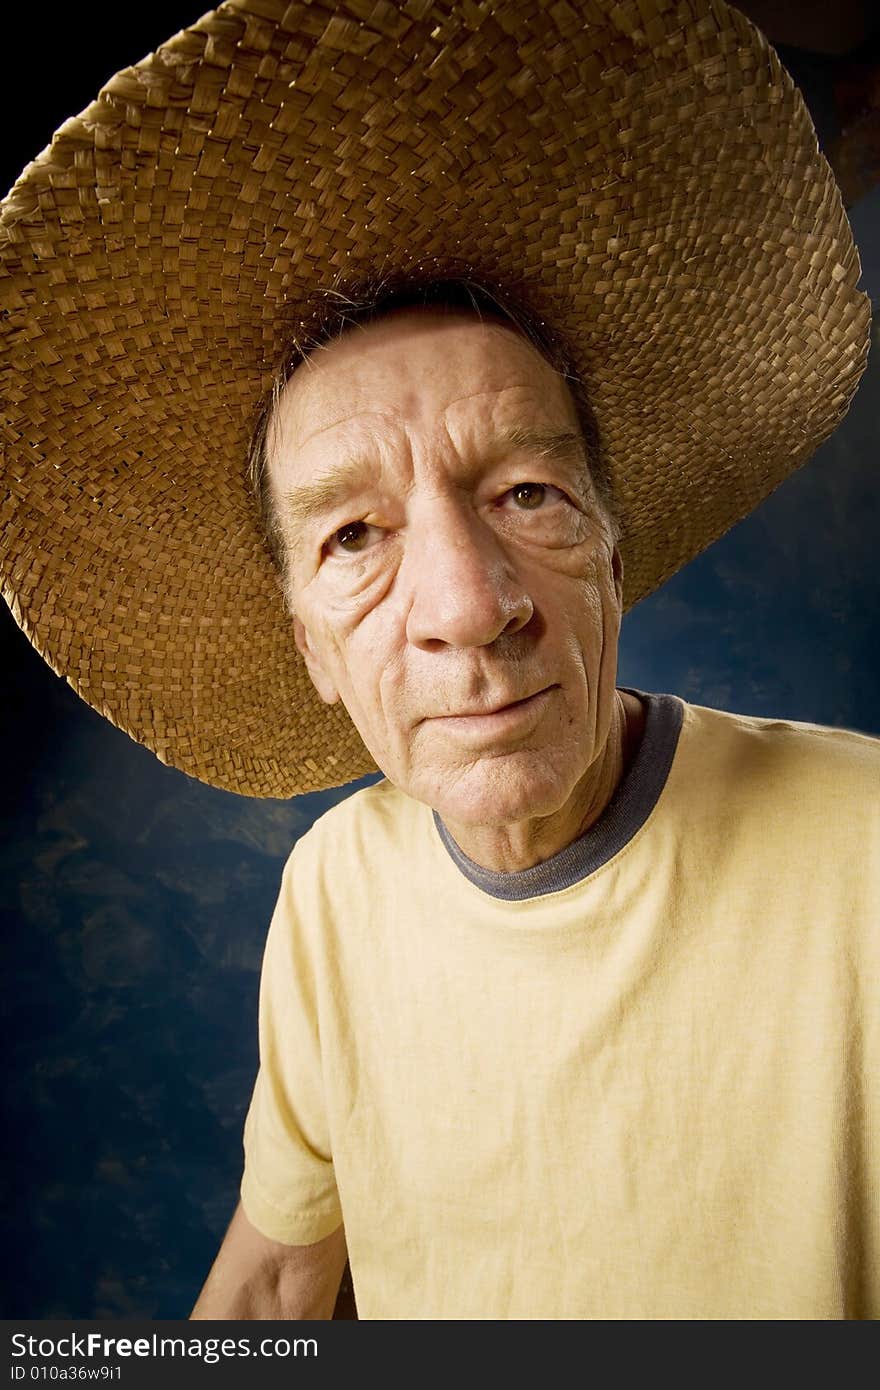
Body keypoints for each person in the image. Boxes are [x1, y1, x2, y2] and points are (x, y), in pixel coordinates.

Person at [1, 0, 876, 1319]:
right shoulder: (332, 896)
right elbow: (278, 1283)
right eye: (355, 534)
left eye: (527, 492)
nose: (469, 607)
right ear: (313, 652)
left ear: (615, 553)